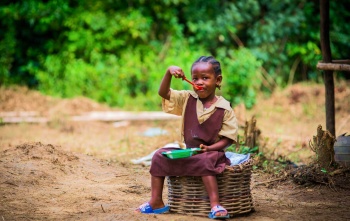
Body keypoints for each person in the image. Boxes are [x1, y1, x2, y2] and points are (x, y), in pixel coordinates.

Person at [135, 56, 238, 219]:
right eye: (195, 78)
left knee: (204, 161)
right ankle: (156, 202)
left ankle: (215, 205)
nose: (199, 82)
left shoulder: (224, 108)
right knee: (159, 156)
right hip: (189, 152)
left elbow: (229, 139)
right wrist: (169, 72)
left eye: (205, 78)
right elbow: (163, 92)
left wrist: (210, 148)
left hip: (212, 154)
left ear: (218, 80)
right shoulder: (187, 98)